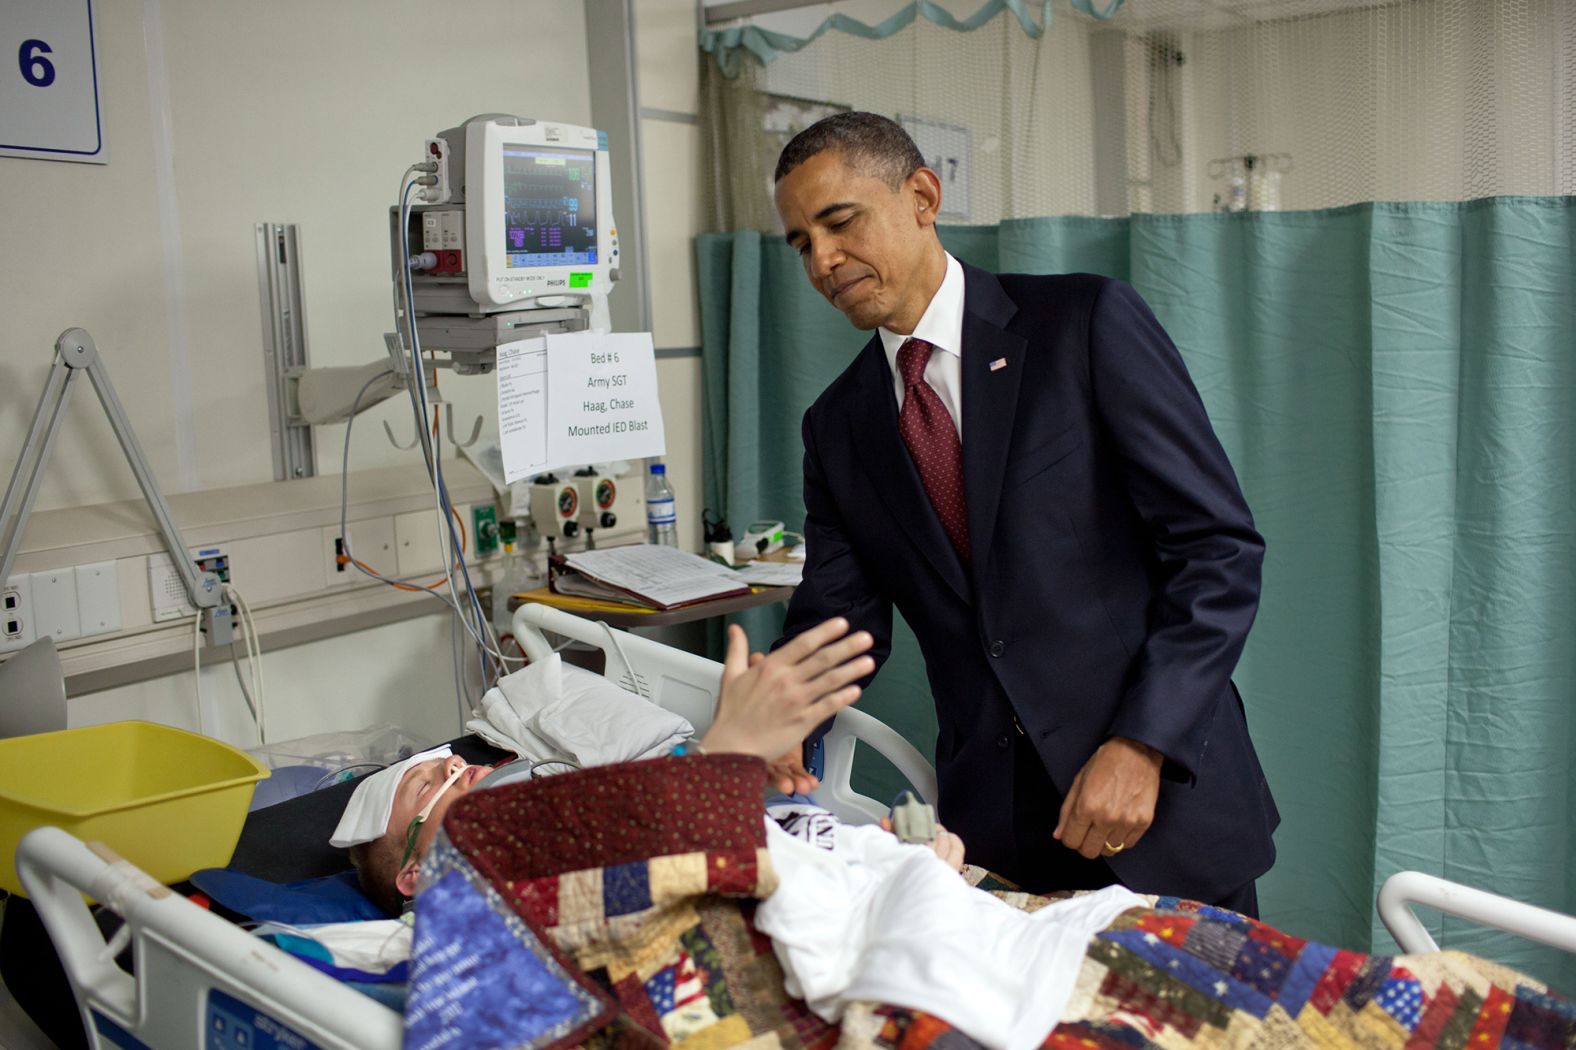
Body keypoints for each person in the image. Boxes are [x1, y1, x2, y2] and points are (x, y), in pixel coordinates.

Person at [768, 112, 1278, 913]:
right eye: (802, 243)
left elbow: (1217, 551)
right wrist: (781, 717)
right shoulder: (838, 426)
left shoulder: (1082, 327)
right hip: (1002, 833)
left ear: (923, 197)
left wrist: (1143, 744)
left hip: (1159, 801)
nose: (824, 260)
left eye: (839, 222)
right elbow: (837, 617)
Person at [340, 617, 886, 915]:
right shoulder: (474, 898)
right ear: (415, 874)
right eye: (427, 784)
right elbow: (629, 878)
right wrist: (723, 762)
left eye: (444, 763)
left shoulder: (549, 802)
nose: (453, 763)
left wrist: (878, 859)